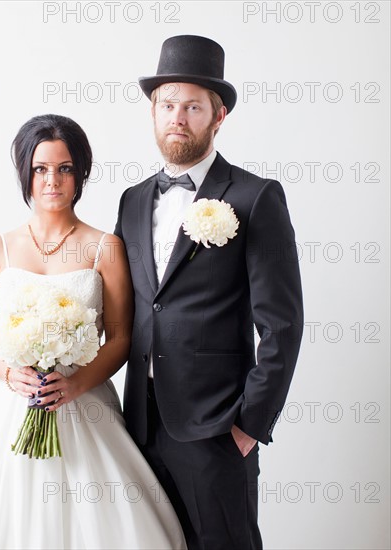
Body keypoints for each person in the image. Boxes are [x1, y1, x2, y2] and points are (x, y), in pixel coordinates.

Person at [0, 114, 187, 550]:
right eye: (40, 169)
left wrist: (76, 382)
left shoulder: (105, 247)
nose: (52, 181)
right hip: (7, 408)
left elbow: (118, 339)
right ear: (25, 172)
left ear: (80, 174)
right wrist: (6, 373)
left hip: (84, 404)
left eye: (64, 169)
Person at [114, 35, 304, 550]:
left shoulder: (254, 196)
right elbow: (127, 307)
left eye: (193, 107)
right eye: (168, 104)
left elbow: (282, 325)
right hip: (138, 426)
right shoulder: (131, 202)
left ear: (218, 117)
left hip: (218, 428)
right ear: (153, 113)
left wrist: (249, 424)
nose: (178, 117)